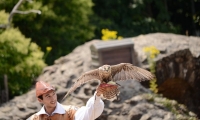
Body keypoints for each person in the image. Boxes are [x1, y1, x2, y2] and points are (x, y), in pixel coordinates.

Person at [27, 81, 105, 120]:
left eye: (54, 94)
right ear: (40, 100)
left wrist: (97, 96)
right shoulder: (35, 118)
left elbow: (88, 114)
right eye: (48, 96)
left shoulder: (70, 111)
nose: (53, 98)